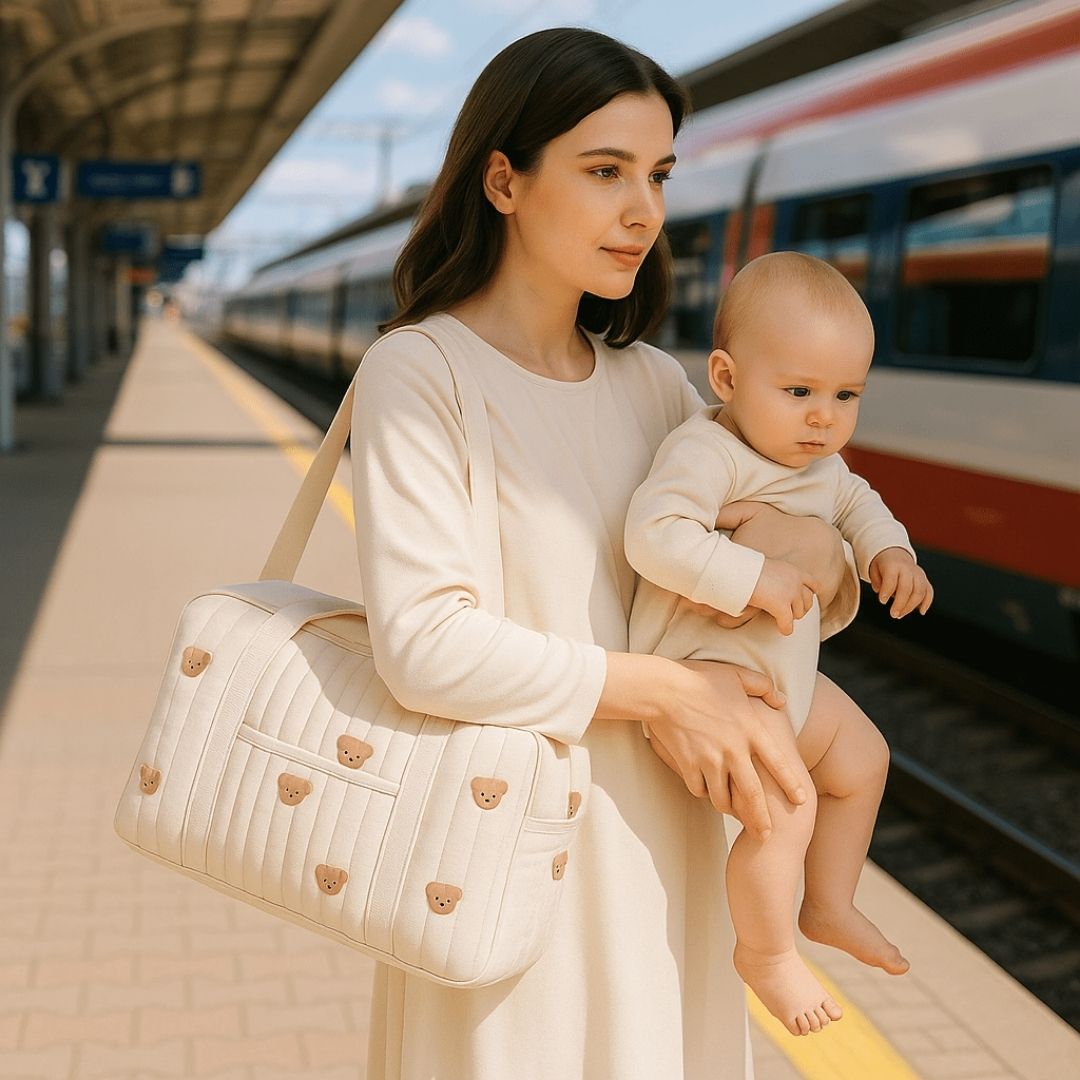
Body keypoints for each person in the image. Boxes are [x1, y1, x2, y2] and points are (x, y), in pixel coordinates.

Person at [350, 29, 856, 1078]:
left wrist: (816, 563)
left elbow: (801, 583)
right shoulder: (421, 374)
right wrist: (672, 692)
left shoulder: (658, 388)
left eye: (658, 175)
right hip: (504, 865)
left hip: (666, 855)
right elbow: (425, 648)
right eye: (604, 171)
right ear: (503, 179)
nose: (645, 211)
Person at [624, 251, 934, 1037]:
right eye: (798, 392)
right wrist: (751, 575)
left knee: (864, 760)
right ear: (725, 379)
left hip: (778, 679)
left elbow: (861, 505)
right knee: (786, 814)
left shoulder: (820, 464)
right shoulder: (708, 452)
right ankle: (765, 953)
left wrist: (890, 553)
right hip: (710, 678)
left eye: (845, 396)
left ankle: (828, 905)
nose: (823, 418)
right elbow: (652, 535)